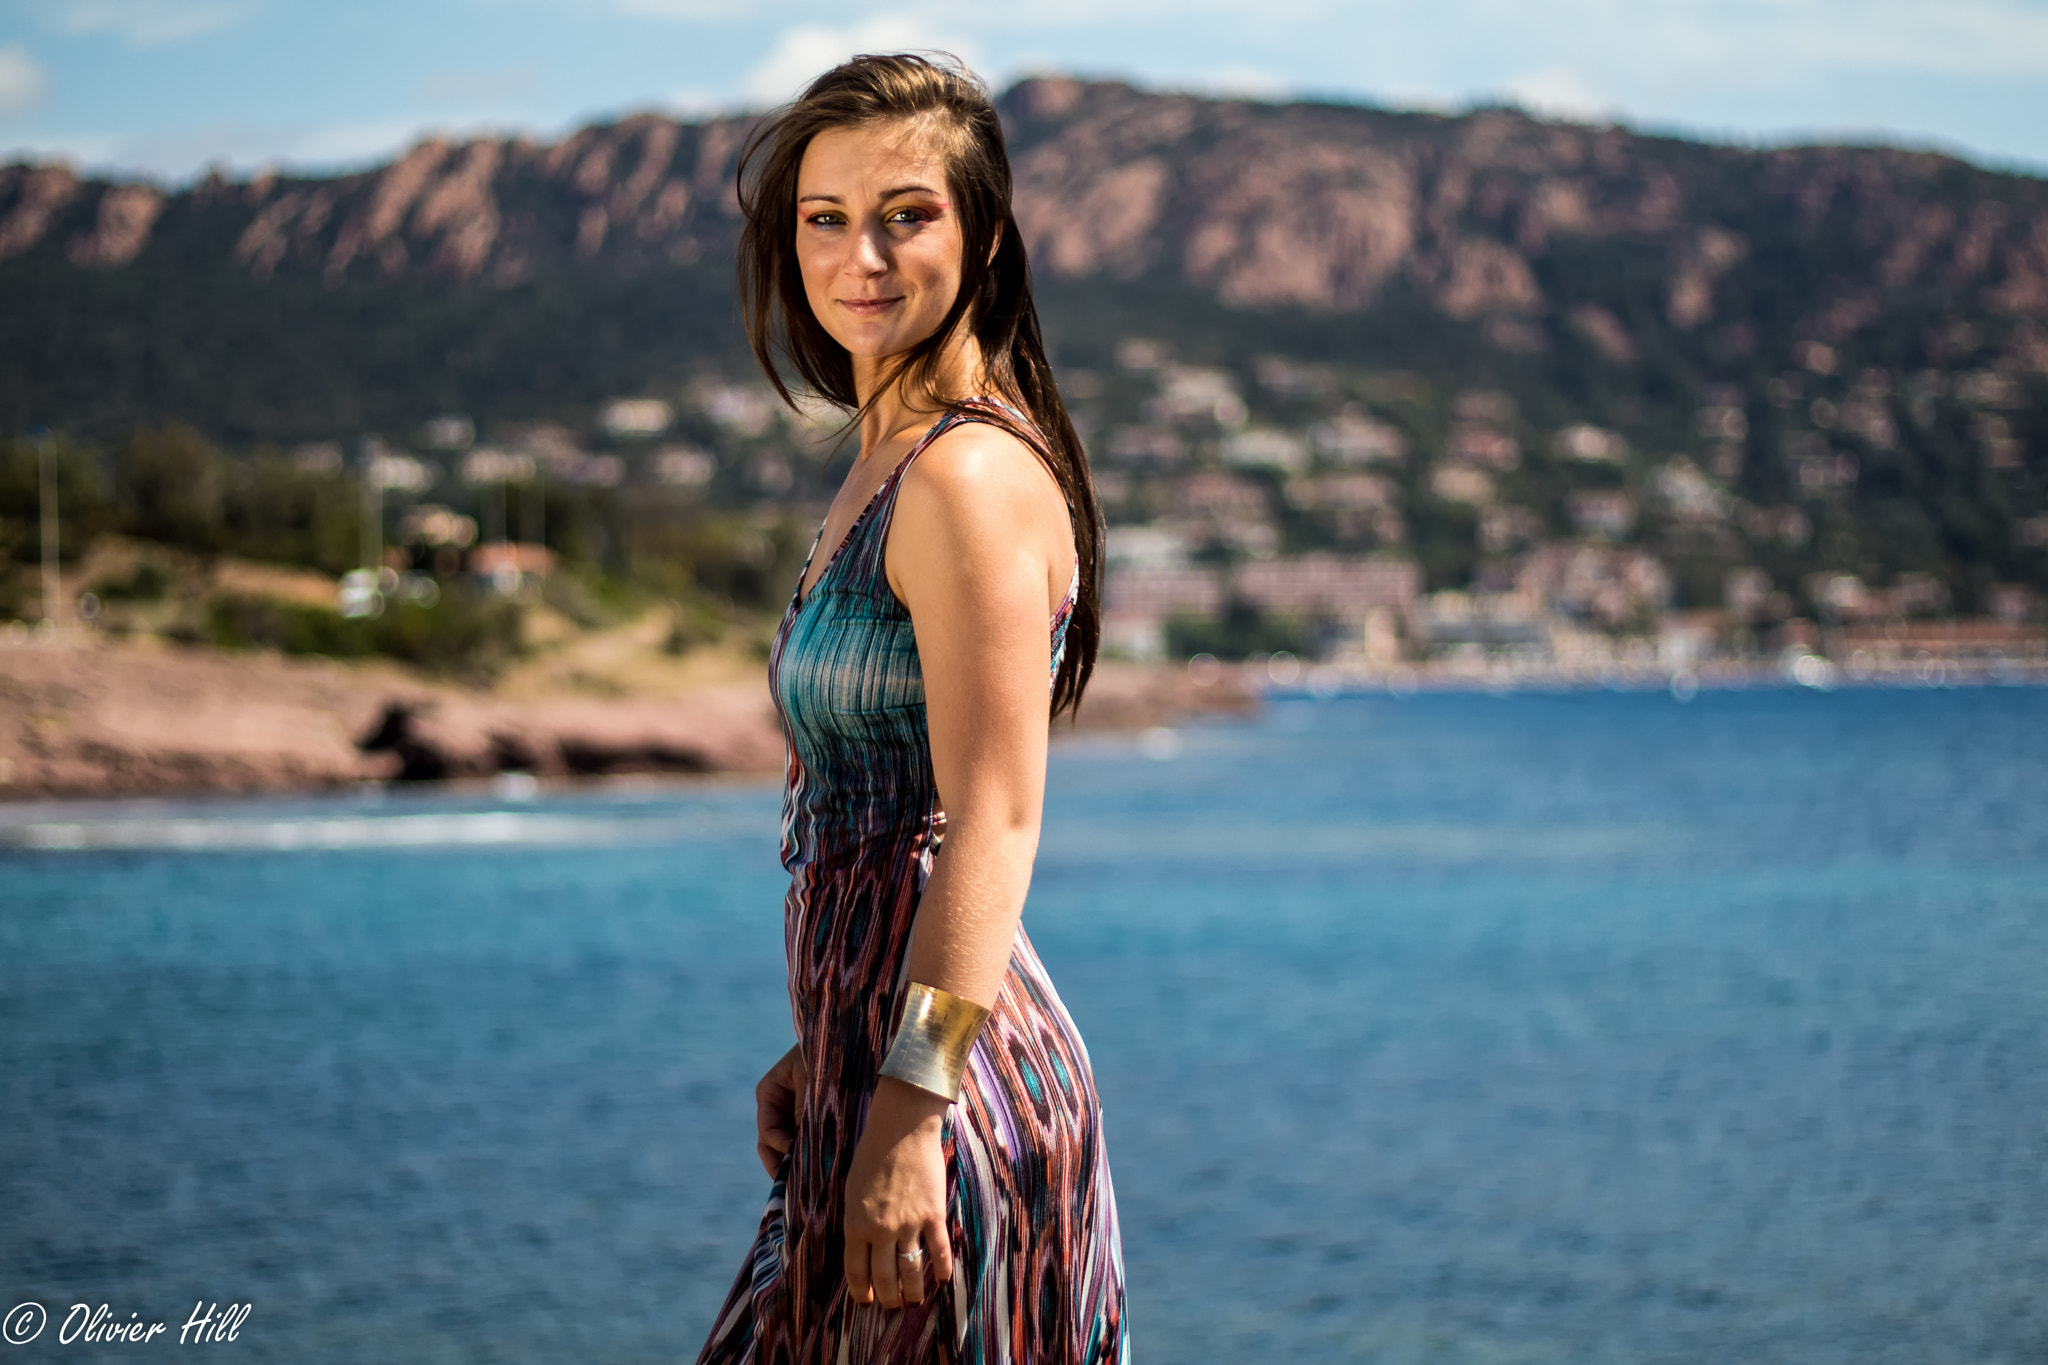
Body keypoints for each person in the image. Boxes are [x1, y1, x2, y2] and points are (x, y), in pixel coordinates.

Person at [693, 52, 1128, 1365]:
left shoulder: (968, 478)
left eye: (906, 213)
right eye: (825, 217)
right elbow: (883, 820)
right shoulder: (888, 459)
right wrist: (828, 1041)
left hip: (952, 1102)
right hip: (876, 1068)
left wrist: (911, 1103)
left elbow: (990, 816)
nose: (859, 254)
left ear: (984, 232)